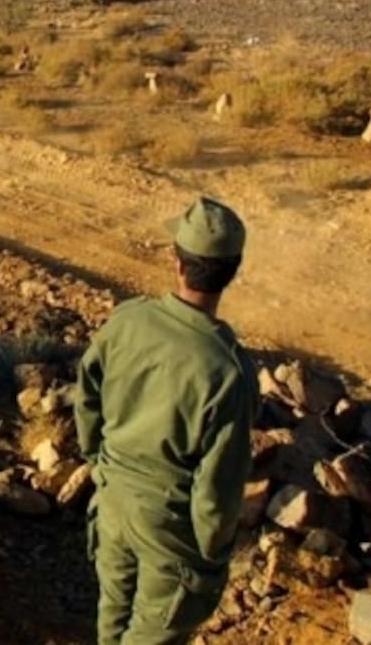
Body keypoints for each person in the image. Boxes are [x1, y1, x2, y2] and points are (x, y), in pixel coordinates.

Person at [75, 197, 258, 645]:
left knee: (112, 616)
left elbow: (87, 397)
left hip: (113, 497)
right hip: (170, 521)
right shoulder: (229, 371)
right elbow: (219, 484)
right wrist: (212, 552)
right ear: (233, 271)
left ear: (177, 263)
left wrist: (98, 459)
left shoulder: (127, 320)